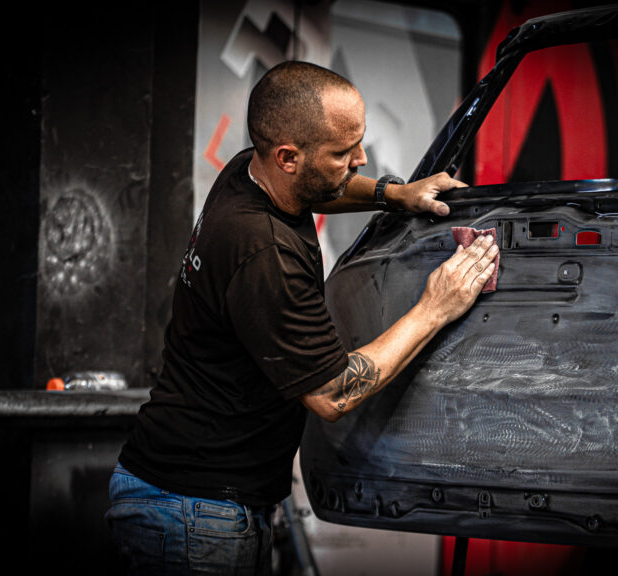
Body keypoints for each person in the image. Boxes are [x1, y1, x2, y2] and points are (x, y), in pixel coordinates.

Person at [106, 61, 498, 574]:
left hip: (180, 496)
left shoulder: (249, 171)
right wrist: (435, 307)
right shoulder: (263, 252)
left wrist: (392, 193)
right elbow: (333, 393)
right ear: (287, 157)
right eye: (343, 152)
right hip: (195, 513)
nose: (360, 159)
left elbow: (325, 186)